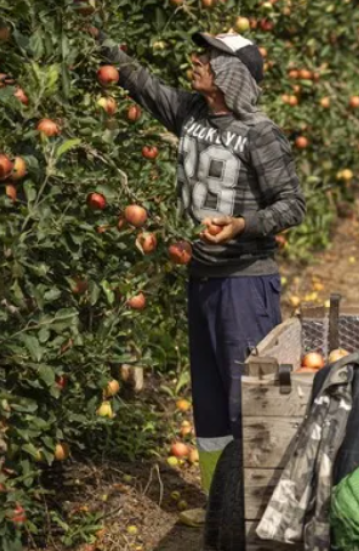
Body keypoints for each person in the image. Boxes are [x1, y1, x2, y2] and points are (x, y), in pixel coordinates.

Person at [93, 27, 306, 523]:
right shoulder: (190, 113)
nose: (197, 61)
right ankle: (220, 509)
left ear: (231, 74)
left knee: (245, 398)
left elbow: (292, 204)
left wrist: (242, 225)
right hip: (202, 276)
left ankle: (252, 513)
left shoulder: (260, 133)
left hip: (245, 280)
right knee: (210, 400)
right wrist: (102, 42)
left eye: (209, 58)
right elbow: (141, 84)